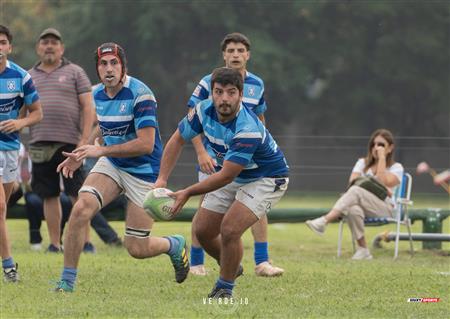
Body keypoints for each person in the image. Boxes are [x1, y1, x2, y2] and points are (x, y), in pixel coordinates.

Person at [53, 42, 189, 292]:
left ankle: (174, 244)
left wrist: (100, 150)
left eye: (114, 63)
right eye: (103, 64)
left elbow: (146, 144)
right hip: (113, 165)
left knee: (137, 248)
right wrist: (81, 152)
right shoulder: (96, 94)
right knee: (81, 208)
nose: (109, 68)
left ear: (123, 66)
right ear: (97, 68)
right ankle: (67, 281)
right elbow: (105, 128)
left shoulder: (141, 94)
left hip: (144, 171)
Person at [155, 67, 289, 298]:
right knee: (203, 230)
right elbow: (177, 139)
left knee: (229, 229)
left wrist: (187, 192)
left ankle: (225, 288)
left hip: (267, 178)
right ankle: (232, 265)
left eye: (230, 92)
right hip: (235, 174)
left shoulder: (247, 127)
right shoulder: (201, 110)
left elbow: (226, 175)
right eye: (218, 92)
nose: (224, 99)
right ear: (211, 93)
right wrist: (161, 179)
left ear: (240, 93)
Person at [187, 32, 283, 277]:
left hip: (249, 159)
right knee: (205, 207)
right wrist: (200, 152)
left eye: (240, 50)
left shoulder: (257, 84)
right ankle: (197, 263)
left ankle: (262, 262)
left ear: (248, 55)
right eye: (231, 51)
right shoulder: (208, 82)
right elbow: (192, 118)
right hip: (214, 155)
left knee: (254, 208)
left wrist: (265, 143)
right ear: (223, 55)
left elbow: (260, 117)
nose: (236, 55)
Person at [28, 28, 96, 252]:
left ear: (61, 48)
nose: (49, 46)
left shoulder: (75, 72)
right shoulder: (28, 76)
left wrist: (84, 141)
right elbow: (21, 111)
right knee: (49, 195)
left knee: (78, 194)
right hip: (40, 143)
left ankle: (85, 242)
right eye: (45, 42)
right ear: (38, 48)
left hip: (71, 144)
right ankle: (54, 244)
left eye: (54, 43)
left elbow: (88, 107)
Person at [306, 129, 404, 260]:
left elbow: (382, 181)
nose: (376, 148)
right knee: (353, 208)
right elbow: (352, 182)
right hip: (362, 204)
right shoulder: (362, 163)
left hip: (386, 208)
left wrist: (382, 158)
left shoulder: (396, 168)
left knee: (356, 191)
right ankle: (363, 249)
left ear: (390, 148)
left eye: (381, 145)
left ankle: (325, 220)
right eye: (373, 145)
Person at [0, 25, 43, 282]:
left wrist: (20, 123)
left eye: (2, 42)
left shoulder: (21, 77)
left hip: (10, 149)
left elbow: (38, 112)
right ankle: (9, 266)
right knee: (0, 205)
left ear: (9, 47)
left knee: (1, 211)